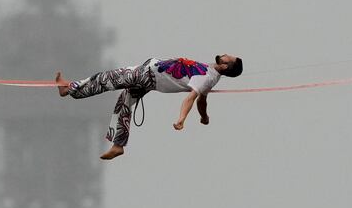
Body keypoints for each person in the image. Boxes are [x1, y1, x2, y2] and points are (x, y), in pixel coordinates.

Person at [54, 54, 243, 160]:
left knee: (106, 78)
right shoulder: (210, 74)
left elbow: (192, 98)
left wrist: (181, 119)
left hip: (147, 76)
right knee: (124, 103)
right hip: (148, 73)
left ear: (226, 66)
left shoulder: (207, 77)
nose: (225, 54)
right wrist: (204, 117)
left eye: (229, 57)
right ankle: (118, 145)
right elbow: (203, 100)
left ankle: (69, 88)